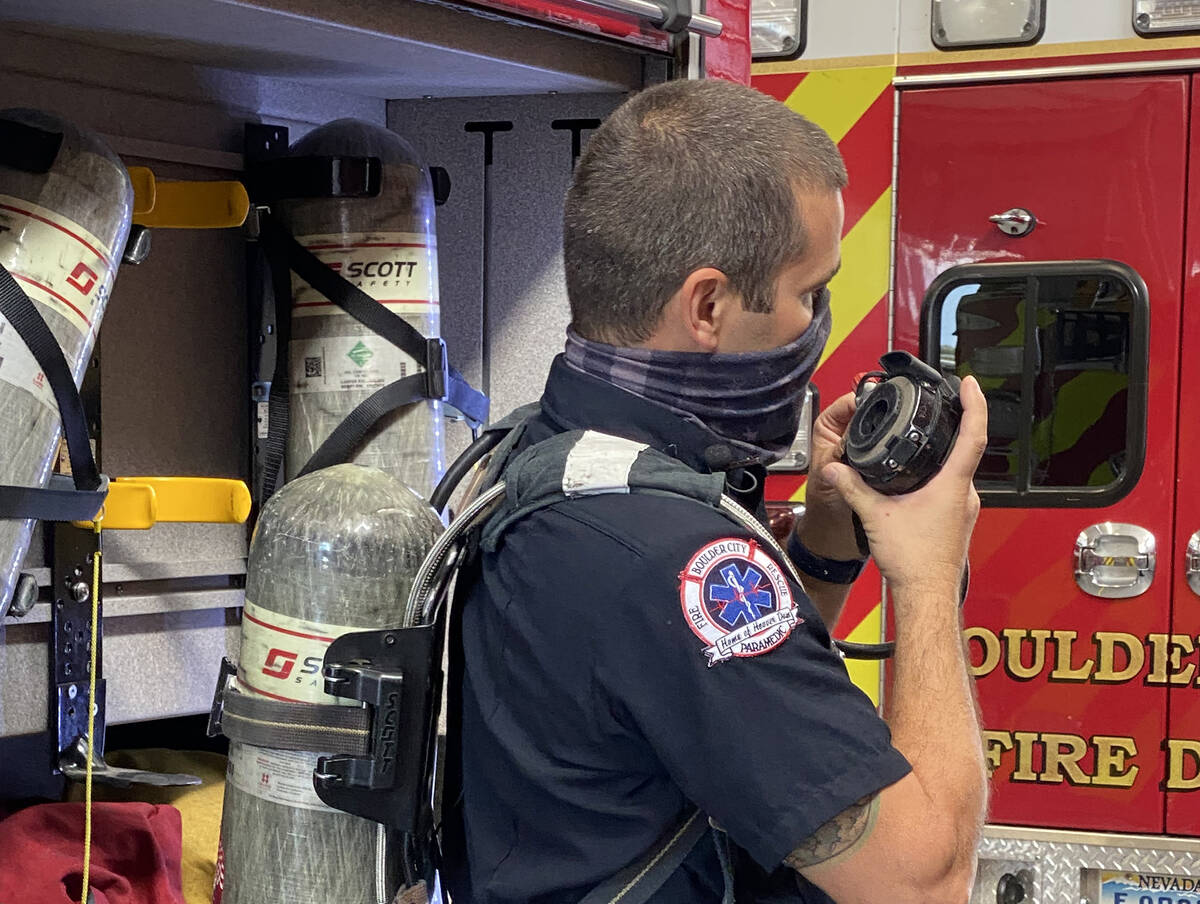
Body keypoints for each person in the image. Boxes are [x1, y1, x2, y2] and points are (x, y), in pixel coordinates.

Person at [443, 77, 989, 904]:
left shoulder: (542, 456)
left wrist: (828, 542)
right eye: (809, 293)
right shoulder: (668, 552)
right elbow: (923, 880)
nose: (817, 325)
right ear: (708, 304)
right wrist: (927, 574)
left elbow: (696, 702)